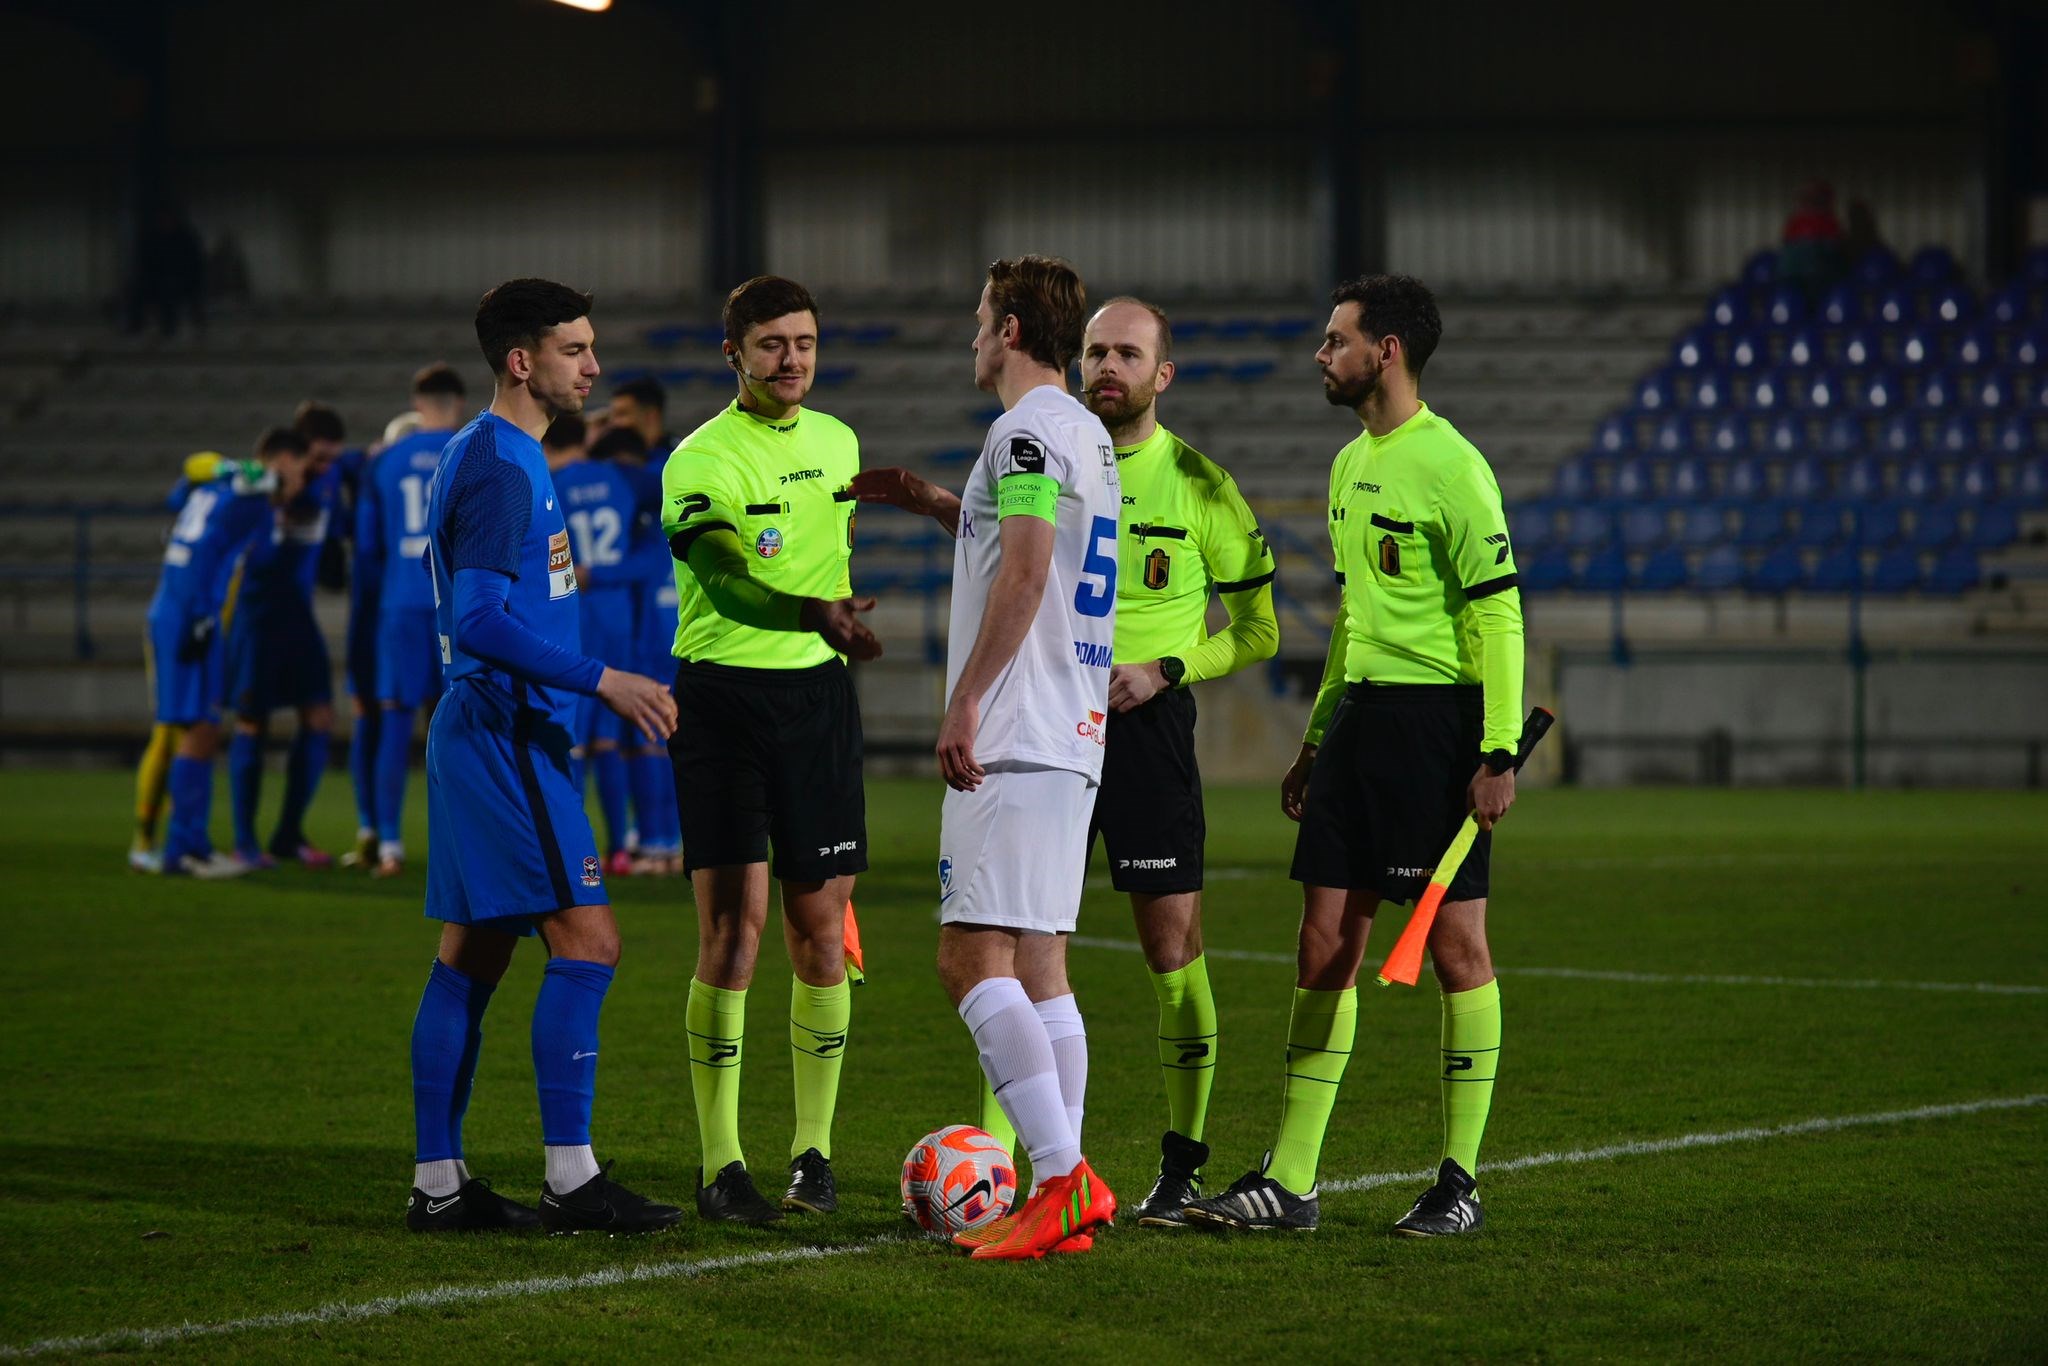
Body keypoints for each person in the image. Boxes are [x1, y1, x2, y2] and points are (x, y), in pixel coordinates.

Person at [1182, 275, 1523, 1237]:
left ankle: (1459, 1183)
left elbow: (1498, 611)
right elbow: (1352, 620)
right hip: (1362, 727)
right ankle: (1290, 1181)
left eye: (1336, 340)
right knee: (1324, 941)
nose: (1321, 355)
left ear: (1388, 352)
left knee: (1458, 951)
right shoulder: (1346, 466)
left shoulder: (1453, 467)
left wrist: (1497, 750)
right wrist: (1318, 735)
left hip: (1437, 729)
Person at [960, 296, 1281, 1227]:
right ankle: (1010, 1167)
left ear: (1161, 375)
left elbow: (1258, 628)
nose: (1109, 367)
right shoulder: (1058, 446)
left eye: (1129, 354)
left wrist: (1170, 665)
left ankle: (1181, 1160)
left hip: (1143, 729)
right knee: (1015, 944)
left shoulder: (1201, 484)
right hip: (1047, 719)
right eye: (1097, 350)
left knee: (1171, 951)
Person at [852, 256, 1121, 1260]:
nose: (971, 339)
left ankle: (1056, 1178)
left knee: (970, 958)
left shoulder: (1020, 431)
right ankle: (1070, 1189)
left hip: (1015, 728)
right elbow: (1035, 547)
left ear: (1009, 330)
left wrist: (964, 698)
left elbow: (1026, 565)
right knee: (1041, 962)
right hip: (1074, 727)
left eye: (978, 322)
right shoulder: (1085, 433)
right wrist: (934, 502)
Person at [404, 277, 681, 1234]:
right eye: (575, 349)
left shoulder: (497, 453)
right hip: (506, 730)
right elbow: (478, 616)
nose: (594, 366)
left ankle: (440, 1187)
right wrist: (603, 677)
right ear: (523, 361)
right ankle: (571, 1178)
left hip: (493, 731)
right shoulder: (501, 467)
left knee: (471, 958)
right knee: (591, 940)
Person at [658, 275, 881, 1223]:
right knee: (733, 932)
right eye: (772, 345)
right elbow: (724, 576)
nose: (792, 360)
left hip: (817, 700)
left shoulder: (840, 441)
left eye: (805, 343)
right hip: (722, 703)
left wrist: (820, 626)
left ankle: (814, 1156)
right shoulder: (697, 460)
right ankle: (721, 1165)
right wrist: (812, 611)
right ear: (734, 355)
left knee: (819, 935)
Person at [143, 431, 313, 876]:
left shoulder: (224, 486)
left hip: (178, 609)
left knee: (199, 726)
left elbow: (183, 483)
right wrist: (201, 614)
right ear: (279, 461)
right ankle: (185, 849)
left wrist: (222, 469)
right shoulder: (255, 503)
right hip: (190, 613)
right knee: (199, 727)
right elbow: (236, 554)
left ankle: (187, 845)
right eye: (299, 467)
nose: (303, 478)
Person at [354, 366, 470, 875]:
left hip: (400, 604)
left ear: (416, 402)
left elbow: (366, 547)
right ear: (458, 403)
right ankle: (460, 845)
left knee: (395, 720)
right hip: (457, 605)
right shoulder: (473, 449)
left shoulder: (386, 461)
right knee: (457, 723)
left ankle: (390, 845)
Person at [223, 401, 346, 868]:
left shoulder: (330, 479)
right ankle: (244, 842)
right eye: (316, 457)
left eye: (332, 458)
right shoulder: (258, 485)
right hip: (257, 618)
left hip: (298, 616)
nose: (324, 466)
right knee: (252, 723)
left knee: (318, 717)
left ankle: (289, 833)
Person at [544, 414, 641, 865]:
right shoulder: (621, 478)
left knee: (575, 738)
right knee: (610, 740)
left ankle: (575, 848)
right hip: (618, 615)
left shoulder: (551, 486)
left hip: (573, 619)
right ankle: (621, 847)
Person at [604, 379, 684, 875]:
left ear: (651, 415)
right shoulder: (626, 468)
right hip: (624, 619)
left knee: (659, 729)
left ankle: (666, 839)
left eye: (624, 415)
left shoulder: (666, 468)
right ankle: (646, 836)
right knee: (636, 733)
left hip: (662, 614)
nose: (616, 424)